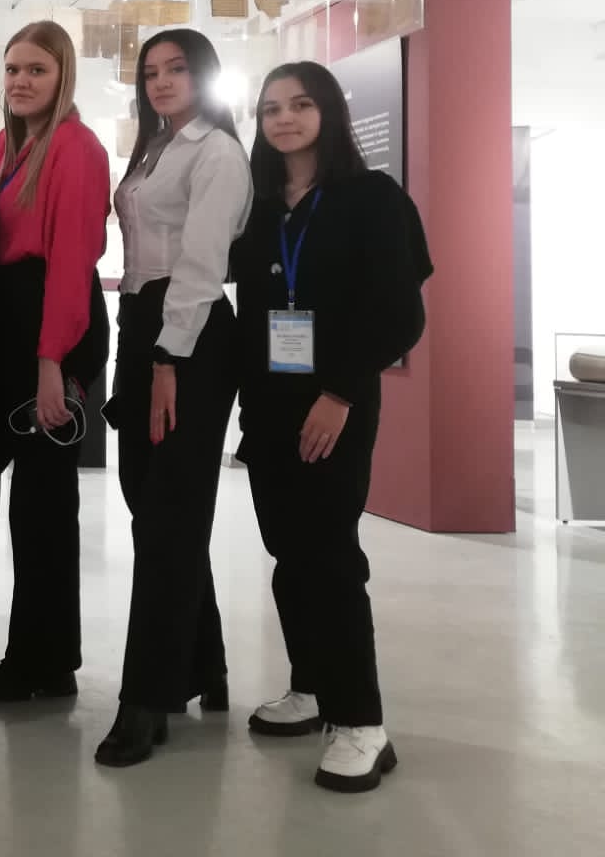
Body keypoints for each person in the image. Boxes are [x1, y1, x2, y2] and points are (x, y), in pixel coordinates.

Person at [232, 61, 431, 793]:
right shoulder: (260, 207)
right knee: (288, 552)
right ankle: (312, 687)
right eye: (270, 108)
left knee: (329, 557)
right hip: (270, 404)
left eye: (300, 105)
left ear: (329, 113)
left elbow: (400, 313)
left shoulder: (372, 198)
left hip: (333, 405)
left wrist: (341, 392)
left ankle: (362, 722)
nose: (284, 119)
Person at [95, 28, 251, 768]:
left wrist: (167, 357)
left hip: (186, 335)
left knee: (167, 521)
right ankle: (204, 663)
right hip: (140, 323)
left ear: (203, 75)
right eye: (151, 71)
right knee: (153, 507)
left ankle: (147, 697)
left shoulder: (216, 152)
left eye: (177, 69)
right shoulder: (156, 147)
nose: (161, 82)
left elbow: (201, 263)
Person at [0, 20, 111, 706]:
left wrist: (51, 362)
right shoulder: (6, 145)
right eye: (13, 69)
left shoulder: (77, 148)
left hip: (56, 326)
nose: (21, 81)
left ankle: (45, 662)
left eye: (37, 70)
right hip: (10, 325)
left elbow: (72, 262)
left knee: (42, 506)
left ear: (63, 77)